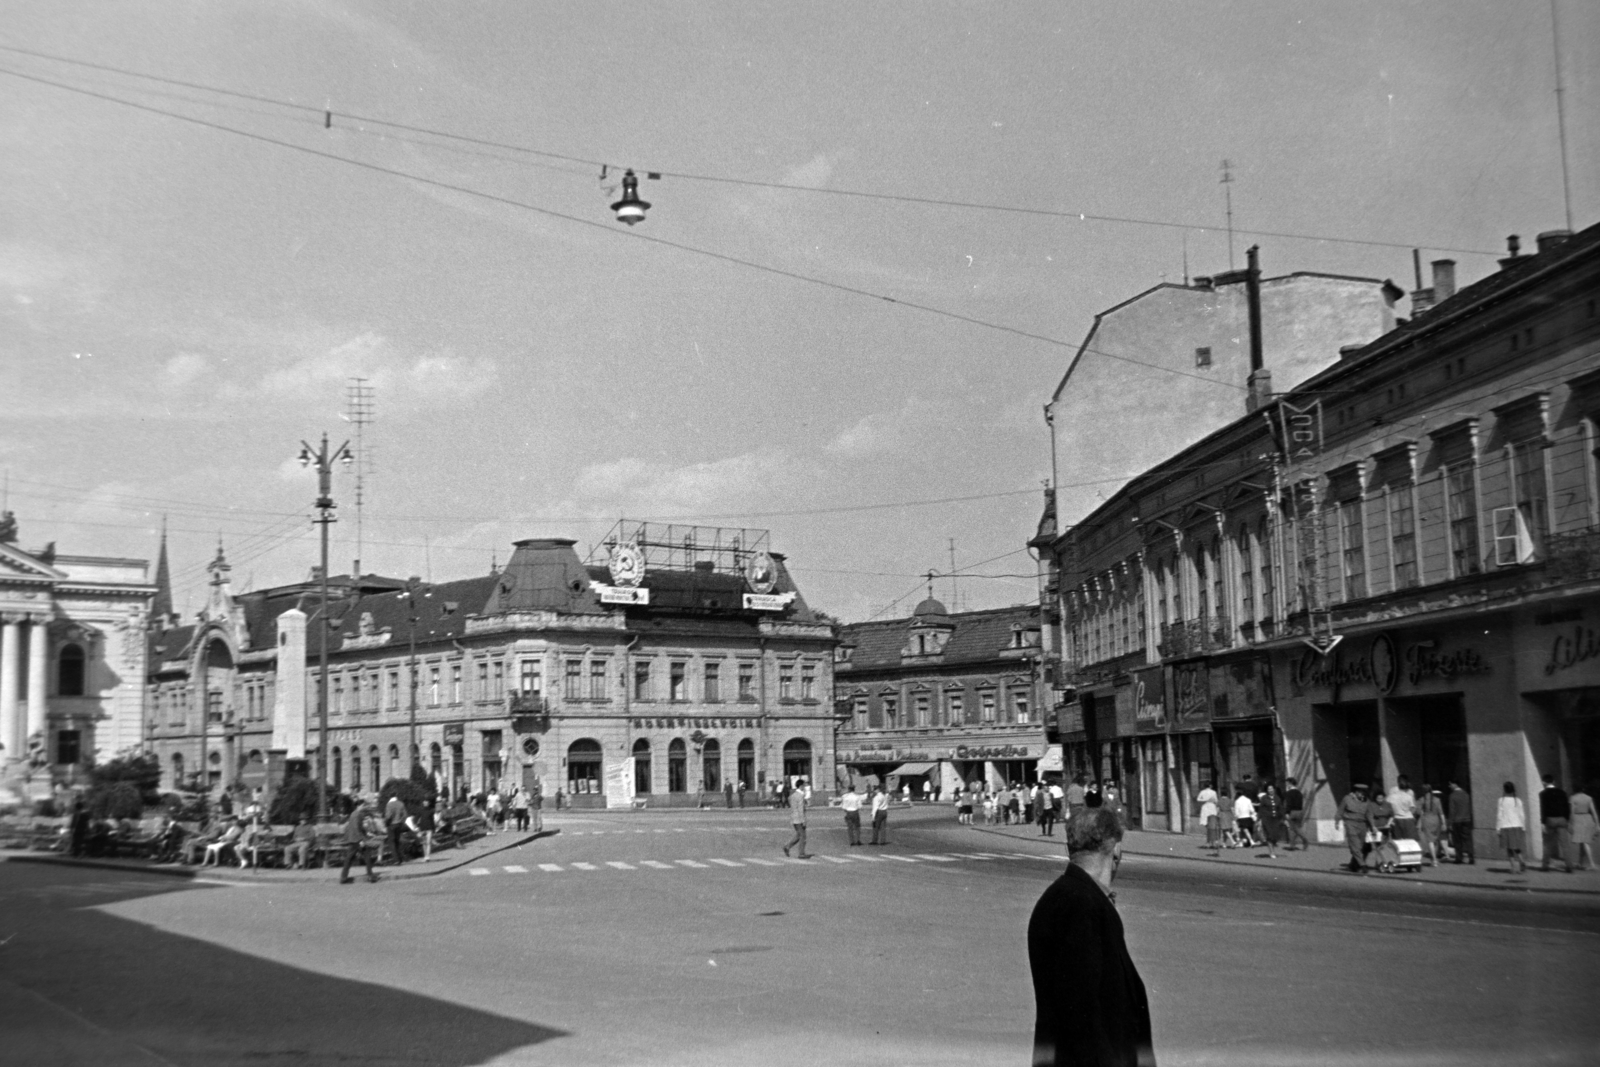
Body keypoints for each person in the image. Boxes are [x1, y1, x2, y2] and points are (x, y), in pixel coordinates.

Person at [1027, 807, 1155, 1067]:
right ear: (1116, 851)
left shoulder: (1065, 898)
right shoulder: (1081, 905)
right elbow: (1081, 1014)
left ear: (1068, 848)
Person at [1538, 773, 1573, 873]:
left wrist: (1542, 822)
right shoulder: (1562, 792)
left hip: (1550, 820)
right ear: (1553, 782)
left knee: (1547, 844)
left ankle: (1545, 866)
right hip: (1562, 819)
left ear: (1544, 782)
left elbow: (1543, 809)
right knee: (1564, 844)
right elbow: (1567, 808)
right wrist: (1566, 819)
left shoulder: (1542, 794)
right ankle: (1569, 866)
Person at [340, 802, 381, 884]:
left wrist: (366, 833)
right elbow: (356, 828)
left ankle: (343, 877)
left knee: (350, 858)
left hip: (353, 839)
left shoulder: (356, 814)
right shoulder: (356, 815)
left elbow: (359, 827)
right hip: (357, 840)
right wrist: (361, 840)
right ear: (358, 806)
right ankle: (370, 876)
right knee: (366, 856)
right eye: (363, 805)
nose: (364, 806)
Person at [1335, 782, 1371, 874]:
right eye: (1360, 792)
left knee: (1360, 846)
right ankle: (1363, 865)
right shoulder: (1347, 799)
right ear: (1356, 792)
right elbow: (1340, 810)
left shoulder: (1366, 801)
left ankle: (1353, 865)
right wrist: (1337, 821)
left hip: (1363, 824)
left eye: (1364, 793)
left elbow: (1369, 814)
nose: (1362, 794)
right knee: (1355, 845)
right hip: (1350, 823)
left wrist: (1373, 826)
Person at [1496, 780, 1527, 874]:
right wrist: (1523, 826)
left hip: (1505, 826)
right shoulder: (1518, 800)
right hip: (1517, 825)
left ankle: (1513, 867)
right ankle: (1521, 860)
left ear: (1504, 789)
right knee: (1516, 846)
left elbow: (1499, 815)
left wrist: (1498, 828)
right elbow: (1522, 815)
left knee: (1509, 848)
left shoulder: (1501, 800)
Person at [1569, 783, 1597, 871]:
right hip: (1588, 818)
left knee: (1584, 842)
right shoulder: (1589, 798)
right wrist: (1597, 824)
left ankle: (1592, 864)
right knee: (1583, 842)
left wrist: (1571, 823)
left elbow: (1572, 812)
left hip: (1578, 818)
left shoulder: (1573, 798)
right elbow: (1594, 812)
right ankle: (1580, 863)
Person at [781, 776, 812, 858]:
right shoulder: (800, 796)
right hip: (799, 819)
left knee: (798, 835)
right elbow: (801, 809)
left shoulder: (793, 795)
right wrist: (803, 820)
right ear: (801, 786)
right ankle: (801, 854)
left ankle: (787, 847)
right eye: (804, 786)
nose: (804, 788)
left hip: (793, 818)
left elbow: (789, 800)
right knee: (803, 836)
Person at [1417, 786, 1446, 867]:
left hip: (1426, 819)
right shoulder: (1437, 800)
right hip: (1436, 820)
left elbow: (1418, 811)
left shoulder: (1422, 800)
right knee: (1435, 840)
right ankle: (1434, 857)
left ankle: (1434, 860)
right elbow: (1441, 813)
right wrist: (1444, 823)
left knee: (1430, 841)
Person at [1447, 780, 1475, 864]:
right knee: (1468, 840)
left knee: (1458, 840)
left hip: (1457, 820)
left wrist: (1450, 823)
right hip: (1467, 819)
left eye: (1450, 784)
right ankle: (1471, 857)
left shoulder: (1452, 796)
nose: (1449, 786)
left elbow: (1452, 811)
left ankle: (1459, 858)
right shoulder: (1466, 794)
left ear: (1455, 784)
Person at [1257, 782, 1284, 858]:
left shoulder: (1277, 798)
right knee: (1269, 835)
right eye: (1269, 789)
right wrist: (1259, 819)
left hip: (1275, 819)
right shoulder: (1264, 798)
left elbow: (1280, 808)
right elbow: (1261, 809)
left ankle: (1273, 847)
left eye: (1272, 788)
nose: (1270, 790)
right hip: (1267, 819)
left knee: (1275, 836)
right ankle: (1271, 852)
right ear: (1267, 790)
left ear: (1274, 789)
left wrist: (1283, 817)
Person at [1388, 776, 1418, 841]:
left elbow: (1388, 805)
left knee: (1399, 840)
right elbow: (1413, 807)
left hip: (1398, 818)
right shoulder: (1408, 795)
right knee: (1410, 840)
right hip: (1407, 819)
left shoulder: (1410, 792)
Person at [383, 791, 409, 866]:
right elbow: (405, 815)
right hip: (399, 824)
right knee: (397, 841)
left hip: (391, 825)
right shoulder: (401, 803)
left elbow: (388, 816)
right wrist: (401, 821)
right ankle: (400, 858)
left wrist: (386, 822)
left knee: (391, 842)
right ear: (396, 796)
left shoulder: (389, 804)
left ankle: (396, 859)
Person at [1283, 777, 1309, 851]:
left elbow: (1289, 804)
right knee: (1296, 827)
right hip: (1300, 811)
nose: (1286, 785)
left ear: (1290, 783)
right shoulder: (1299, 792)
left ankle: (1304, 839)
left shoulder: (1289, 793)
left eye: (1287, 783)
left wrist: (1287, 812)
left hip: (1292, 811)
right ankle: (1292, 844)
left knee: (1293, 828)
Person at [1196, 781, 1220, 848]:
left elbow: (1198, 799)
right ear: (1210, 785)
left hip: (1205, 807)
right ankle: (1213, 841)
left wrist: (1204, 800)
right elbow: (1216, 801)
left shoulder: (1202, 792)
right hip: (1211, 807)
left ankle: (1209, 841)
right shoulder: (1213, 792)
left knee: (1207, 825)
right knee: (1212, 825)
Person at [839, 782, 864, 846]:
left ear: (849, 789)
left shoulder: (845, 796)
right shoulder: (857, 796)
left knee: (850, 828)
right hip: (855, 812)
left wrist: (847, 811)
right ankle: (858, 840)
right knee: (857, 827)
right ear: (854, 789)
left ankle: (851, 841)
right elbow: (860, 806)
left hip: (848, 812)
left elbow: (843, 807)